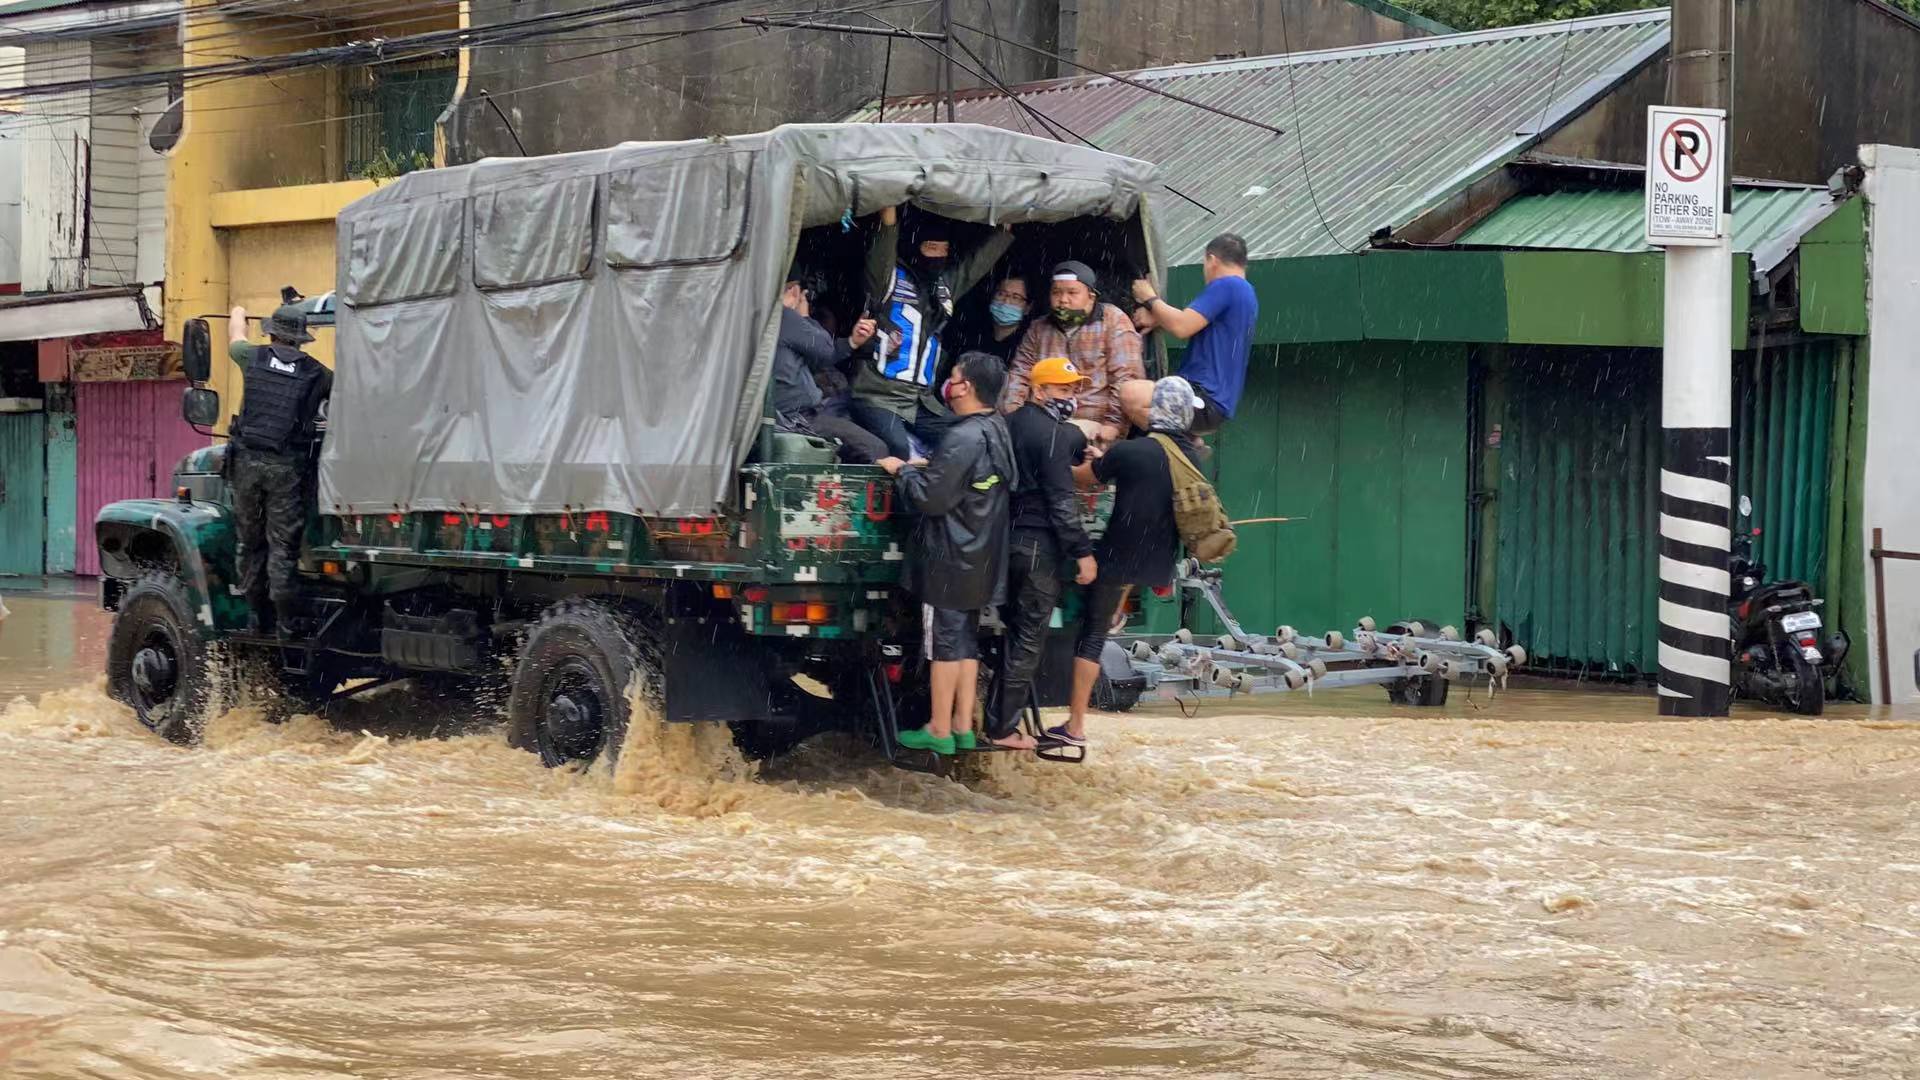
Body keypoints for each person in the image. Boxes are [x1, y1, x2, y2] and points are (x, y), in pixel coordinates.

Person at [876, 352, 1017, 757]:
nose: (948, 384)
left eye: (953, 378)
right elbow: (976, 481)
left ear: (966, 387)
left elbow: (930, 500)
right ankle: (962, 727)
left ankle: (938, 729)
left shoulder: (960, 437)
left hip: (948, 560)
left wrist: (901, 471)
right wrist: (933, 465)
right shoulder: (995, 429)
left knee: (943, 647)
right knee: (966, 643)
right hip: (981, 555)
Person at [1058, 376, 1199, 748]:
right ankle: (1119, 612)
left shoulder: (1131, 452)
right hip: (1157, 564)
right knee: (1106, 619)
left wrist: (1057, 456)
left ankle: (1074, 727)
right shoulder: (1190, 456)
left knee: (1091, 636)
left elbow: (1084, 480)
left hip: (1117, 558)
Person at [988, 356, 1097, 750]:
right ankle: (1001, 729)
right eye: (1063, 390)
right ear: (1038, 390)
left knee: (1003, 635)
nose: (1069, 397)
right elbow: (1062, 502)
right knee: (1027, 639)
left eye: (1072, 390)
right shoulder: (1053, 434)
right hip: (1038, 548)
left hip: (1001, 543)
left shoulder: (1007, 424)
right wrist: (1083, 553)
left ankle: (987, 718)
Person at [852, 206, 1013, 459]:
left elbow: (972, 268)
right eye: (931, 248)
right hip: (877, 396)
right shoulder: (888, 280)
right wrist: (889, 217)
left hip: (921, 402)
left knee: (969, 436)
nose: (938, 257)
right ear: (915, 248)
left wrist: (1004, 232)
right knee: (898, 447)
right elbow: (882, 253)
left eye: (944, 251)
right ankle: (908, 494)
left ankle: (945, 493)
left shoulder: (942, 289)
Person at [227, 301, 332, 633]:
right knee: (282, 546)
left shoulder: (251, 357)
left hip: (246, 465)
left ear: (271, 332)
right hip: (286, 470)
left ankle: (257, 618)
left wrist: (239, 311)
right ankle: (286, 622)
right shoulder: (317, 373)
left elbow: (235, 335)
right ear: (301, 340)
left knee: (249, 542)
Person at [1131, 233, 1258, 435]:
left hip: (1202, 394)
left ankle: (1179, 445)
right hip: (1217, 403)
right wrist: (1158, 318)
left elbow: (1182, 326)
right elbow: (1199, 326)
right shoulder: (1247, 293)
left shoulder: (1227, 285)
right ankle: (1187, 441)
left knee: (1131, 394)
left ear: (1211, 260)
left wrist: (1149, 298)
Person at [1006, 260, 1144, 445]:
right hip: (1043, 427)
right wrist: (1015, 415)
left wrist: (1113, 426)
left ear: (1091, 296)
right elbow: (1019, 374)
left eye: (1072, 292)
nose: (1063, 299)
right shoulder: (1039, 328)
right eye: (1056, 292)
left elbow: (1126, 377)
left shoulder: (1112, 320)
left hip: (1095, 429)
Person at [772, 270, 889, 463]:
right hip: (796, 419)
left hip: (782, 415)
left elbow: (817, 358)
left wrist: (852, 342)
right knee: (876, 448)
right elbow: (825, 348)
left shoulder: (757, 319)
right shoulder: (782, 315)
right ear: (794, 291)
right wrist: (804, 314)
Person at [963, 275, 1034, 362]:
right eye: (1001, 294)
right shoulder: (971, 332)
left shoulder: (1028, 346)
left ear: (1028, 308)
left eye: (1016, 297)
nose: (1006, 301)